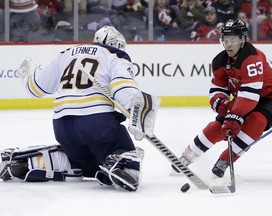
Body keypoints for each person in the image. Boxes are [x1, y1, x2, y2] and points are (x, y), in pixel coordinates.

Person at [0, 26, 160, 192]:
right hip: (97, 124)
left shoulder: (66, 53)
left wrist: (29, 74)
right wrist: (138, 111)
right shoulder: (115, 55)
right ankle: (122, 165)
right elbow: (123, 87)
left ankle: (32, 162)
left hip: (63, 127)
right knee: (127, 153)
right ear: (115, 44)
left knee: (85, 163)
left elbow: (37, 87)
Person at [173, 19, 272, 178]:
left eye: (233, 39)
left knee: (256, 121)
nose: (228, 44)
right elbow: (217, 89)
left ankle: (225, 161)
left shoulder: (251, 59)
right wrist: (221, 103)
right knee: (219, 125)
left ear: (242, 40)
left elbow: (250, 95)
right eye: (226, 40)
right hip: (247, 97)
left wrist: (235, 115)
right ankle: (187, 157)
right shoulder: (220, 62)